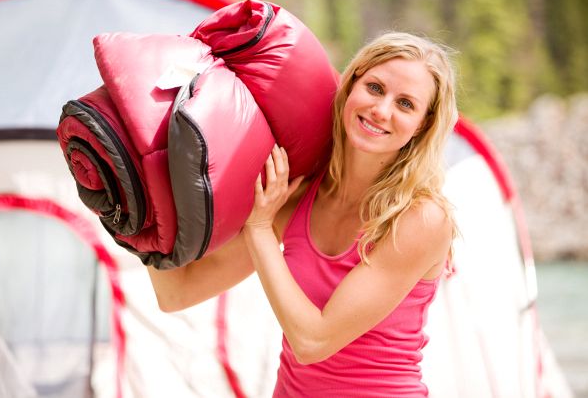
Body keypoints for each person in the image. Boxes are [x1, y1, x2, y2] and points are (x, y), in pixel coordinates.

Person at [146, 31, 459, 397]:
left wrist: (261, 227)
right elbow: (179, 292)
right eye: (375, 88)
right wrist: (143, 204)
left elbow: (313, 341)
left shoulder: (421, 219)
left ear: (422, 124)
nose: (382, 110)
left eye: (405, 104)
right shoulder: (299, 193)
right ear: (352, 83)